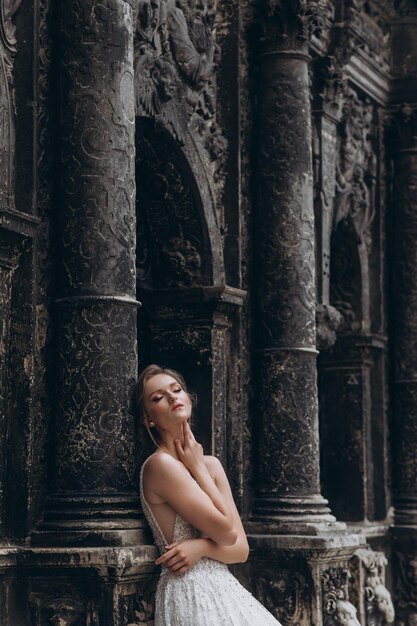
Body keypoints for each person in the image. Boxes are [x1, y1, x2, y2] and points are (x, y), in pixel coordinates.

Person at [135, 364, 283, 625]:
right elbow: (226, 533)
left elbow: (240, 550)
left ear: (188, 397)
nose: (172, 397)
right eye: (158, 397)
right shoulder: (160, 466)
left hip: (223, 586)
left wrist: (201, 546)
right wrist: (198, 469)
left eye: (176, 389)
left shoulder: (210, 465)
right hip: (190, 588)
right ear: (149, 419)